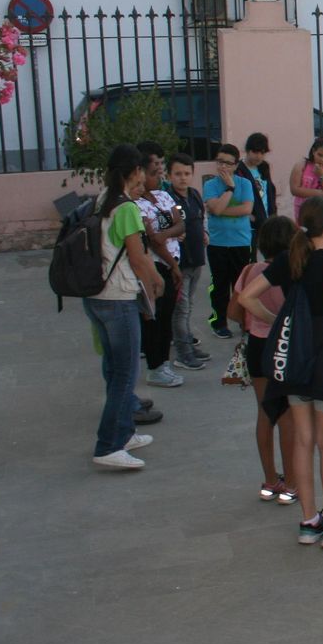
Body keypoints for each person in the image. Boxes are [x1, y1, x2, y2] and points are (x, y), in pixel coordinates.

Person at [239, 196, 323, 549]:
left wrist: (278, 323)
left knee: (303, 441)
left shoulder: (288, 260)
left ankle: (309, 521)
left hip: (293, 358)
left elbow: (247, 297)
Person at [85, 144, 166, 470]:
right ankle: (108, 446)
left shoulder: (103, 198)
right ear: (134, 172)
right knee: (125, 373)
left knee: (113, 368)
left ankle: (124, 431)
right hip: (118, 299)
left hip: (96, 296)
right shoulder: (128, 209)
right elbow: (137, 256)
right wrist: (155, 281)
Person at [230, 215, 298, 505]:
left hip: (256, 347)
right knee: (288, 417)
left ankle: (270, 481)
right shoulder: (292, 272)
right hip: (284, 348)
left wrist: (254, 320)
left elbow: (233, 312)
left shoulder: (249, 271)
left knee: (264, 412)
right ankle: (292, 484)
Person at [135, 143, 185, 390]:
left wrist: (164, 233)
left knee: (167, 316)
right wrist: (170, 261)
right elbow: (152, 239)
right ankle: (156, 366)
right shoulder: (136, 205)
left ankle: (163, 362)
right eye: (155, 173)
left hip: (173, 262)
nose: (160, 177)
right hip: (159, 266)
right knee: (156, 318)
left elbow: (180, 222)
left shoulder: (166, 196)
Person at [204, 143, 255, 340]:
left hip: (241, 242)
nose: (223, 167)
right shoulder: (210, 185)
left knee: (241, 285)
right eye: (220, 162)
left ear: (235, 165)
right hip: (218, 243)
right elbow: (214, 209)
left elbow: (246, 210)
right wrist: (229, 189)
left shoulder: (246, 184)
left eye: (227, 163)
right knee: (219, 286)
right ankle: (219, 322)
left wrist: (220, 208)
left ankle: (244, 320)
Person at [166, 152, 210, 377]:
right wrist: (172, 236)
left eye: (187, 173)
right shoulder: (167, 199)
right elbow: (162, 229)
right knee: (181, 309)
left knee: (188, 305)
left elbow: (200, 219)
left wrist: (203, 232)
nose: (183, 178)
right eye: (178, 174)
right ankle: (183, 353)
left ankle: (188, 345)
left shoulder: (193, 195)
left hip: (196, 259)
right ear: (169, 175)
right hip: (179, 263)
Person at [289, 136, 323, 223]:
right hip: (303, 211)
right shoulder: (301, 166)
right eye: (319, 155)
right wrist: (320, 193)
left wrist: (322, 176)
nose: (322, 159)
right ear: (313, 151)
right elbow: (294, 190)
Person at [240, 132, 276, 244]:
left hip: (267, 221)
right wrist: (248, 216)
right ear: (247, 150)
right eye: (255, 152)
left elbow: (269, 192)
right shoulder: (239, 170)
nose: (259, 156)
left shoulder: (264, 167)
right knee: (250, 257)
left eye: (262, 152)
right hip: (249, 224)